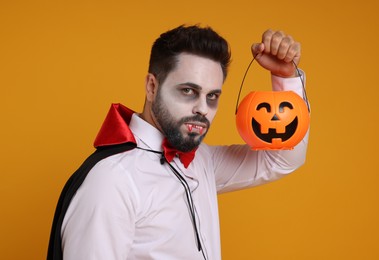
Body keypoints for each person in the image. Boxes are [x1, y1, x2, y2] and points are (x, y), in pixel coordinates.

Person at [47, 24, 309, 260]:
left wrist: (286, 77)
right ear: (152, 87)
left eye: (212, 96)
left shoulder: (202, 161)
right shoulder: (112, 181)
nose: (202, 109)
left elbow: (283, 158)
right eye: (188, 91)